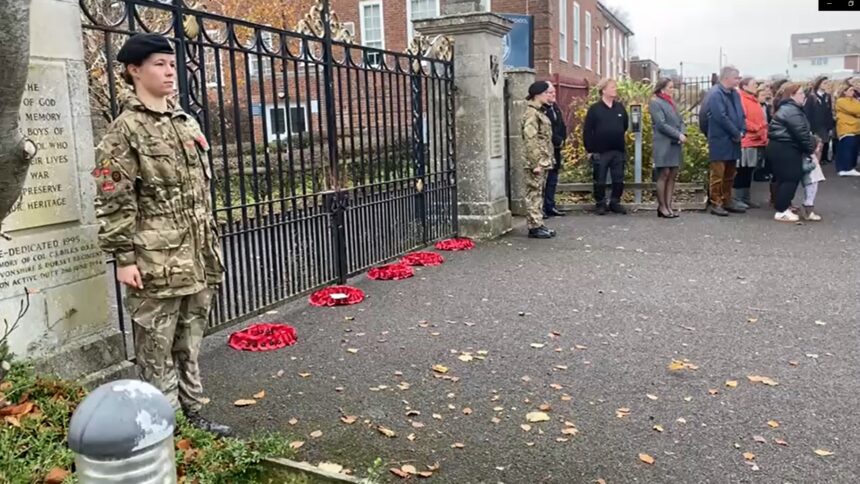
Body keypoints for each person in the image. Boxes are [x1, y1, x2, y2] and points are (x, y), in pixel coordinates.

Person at [94, 33, 231, 436]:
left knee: (189, 343)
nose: (170, 71)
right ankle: (163, 426)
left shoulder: (185, 122)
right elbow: (113, 197)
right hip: (155, 261)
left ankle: (194, 414)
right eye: (159, 64)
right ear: (134, 70)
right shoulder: (124, 131)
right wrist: (123, 258)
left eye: (172, 64)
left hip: (198, 256)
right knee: (155, 348)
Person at [766, 82, 817, 223]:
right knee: (790, 178)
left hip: (781, 147)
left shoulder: (788, 109)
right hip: (785, 148)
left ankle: (782, 208)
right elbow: (801, 133)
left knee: (785, 179)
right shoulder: (791, 110)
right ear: (792, 95)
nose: (803, 96)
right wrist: (811, 152)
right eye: (800, 93)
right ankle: (782, 210)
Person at [705, 66, 746, 216]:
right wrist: (736, 132)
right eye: (736, 77)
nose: (738, 80)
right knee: (718, 174)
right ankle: (716, 203)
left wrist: (742, 129)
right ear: (726, 77)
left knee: (730, 173)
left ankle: (727, 199)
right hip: (720, 140)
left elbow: (741, 113)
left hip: (733, 140)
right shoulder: (716, 94)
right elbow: (720, 117)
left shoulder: (734, 94)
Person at [583, 78, 629, 215]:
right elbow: (587, 130)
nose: (615, 89)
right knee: (600, 179)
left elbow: (624, 125)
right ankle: (601, 203)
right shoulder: (594, 109)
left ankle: (615, 202)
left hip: (618, 150)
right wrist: (589, 149)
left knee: (618, 179)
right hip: (600, 151)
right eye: (612, 87)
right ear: (604, 90)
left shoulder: (620, 107)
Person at [521, 81, 557, 239]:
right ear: (538, 94)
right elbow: (531, 140)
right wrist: (535, 163)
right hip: (535, 162)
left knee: (539, 193)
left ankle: (539, 223)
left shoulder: (540, 112)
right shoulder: (532, 114)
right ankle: (534, 227)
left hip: (542, 161)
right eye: (546, 93)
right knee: (534, 193)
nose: (549, 96)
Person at [649, 77, 685, 218]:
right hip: (663, 142)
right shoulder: (655, 103)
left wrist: (683, 133)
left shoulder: (672, 103)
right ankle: (662, 207)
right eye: (670, 87)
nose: (672, 90)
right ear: (662, 89)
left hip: (675, 143)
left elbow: (681, 120)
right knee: (663, 173)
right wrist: (678, 135)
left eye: (673, 87)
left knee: (673, 174)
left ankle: (669, 206)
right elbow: (661, 124)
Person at [734, 77, 768, 209]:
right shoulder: (741, 99)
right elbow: (742, 119)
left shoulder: (753, 100)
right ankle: (738, 198)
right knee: (742, 170)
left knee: (749, 171)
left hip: (757, 140)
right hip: (747, 140)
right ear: (744, 86)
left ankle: (746, 198)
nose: (756, 86)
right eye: (753, 84)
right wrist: (757, 128)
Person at [542, 98, 568, 218]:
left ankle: (550, 205)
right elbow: (545, 131)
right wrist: (556, 140)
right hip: (546, 150)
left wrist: (563, 139)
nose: (553, 95)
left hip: (556, 150)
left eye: (553, 92)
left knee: (553, 179)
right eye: (550, 92)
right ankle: (541, 208)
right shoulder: (541, 109)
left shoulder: (555, 107)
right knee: (543, 181)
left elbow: (561, 125)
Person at [803, 76, 835, 166]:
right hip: (815, 126)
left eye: (828, 83)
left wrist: (830, 126)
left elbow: (829, 112)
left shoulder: (827, 96)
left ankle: (820, 162)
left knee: (823, 144)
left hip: (824, 125)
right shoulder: (812, 97)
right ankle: (815, 164)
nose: (827, 85)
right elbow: (807, 113)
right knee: (817, 146)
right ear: (819, 84)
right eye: (824, 83)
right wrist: (809, 128)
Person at [834, 81, 860, 176]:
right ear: (844, 91)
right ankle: (845, 168)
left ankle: (850, 167)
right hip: (846, 128)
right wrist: (856, 112)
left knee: (853, 149)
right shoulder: (841, 101)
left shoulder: (855, 100)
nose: (853, 91)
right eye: (850, 90)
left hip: (856, 129)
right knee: (846, 149)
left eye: (853, 90)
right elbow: (853, 109)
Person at [799, 135, 826, 221]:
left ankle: (808, 212)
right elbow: (804, 167)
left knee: (812, 195)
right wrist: (813, 164)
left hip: (814, 179)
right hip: (810, 179)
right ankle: (809, 213)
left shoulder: (812, 155)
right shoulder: (807, 157)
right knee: (809, 197)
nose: (819, 149)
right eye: (818, 146)